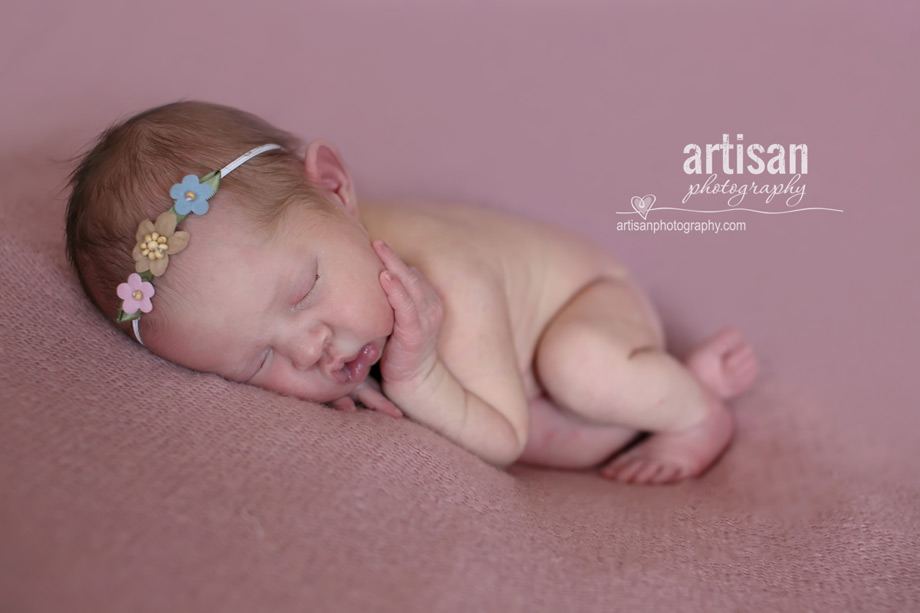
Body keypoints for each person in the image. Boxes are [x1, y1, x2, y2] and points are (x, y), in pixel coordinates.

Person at [66, 101, 759, 485]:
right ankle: (656, 391)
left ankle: (694, 408)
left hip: (582, 305)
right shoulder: (335, 264)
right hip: (512, 375)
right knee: (572, 441)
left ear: (335, 189)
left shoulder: (445, 281)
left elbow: (503, 437)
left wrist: (419, 372)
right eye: (256, 362)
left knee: (582, 368)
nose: (308, 348)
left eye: (305, 291)